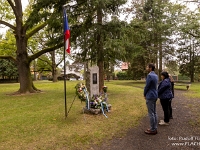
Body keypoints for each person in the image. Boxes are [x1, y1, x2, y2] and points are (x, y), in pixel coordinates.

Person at [144, 63, 158, 135]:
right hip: (155, 95)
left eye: (147, 67)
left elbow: (147, 86)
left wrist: (144, 94)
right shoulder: (156, 75)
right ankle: (154, 128)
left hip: (150, 95)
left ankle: (152, 129)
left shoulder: (149, 75)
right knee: (154, 113)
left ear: (150, 68)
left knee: (151, 113)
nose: (146, 68)